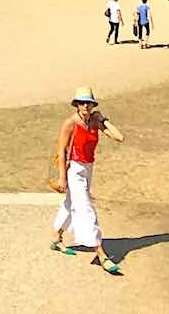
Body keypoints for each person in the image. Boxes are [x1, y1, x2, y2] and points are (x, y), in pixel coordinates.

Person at [49, 87, 124, 276]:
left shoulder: (94, 121)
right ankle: (101, 254)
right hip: (74, 168)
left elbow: (119, 137)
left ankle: (56, 239)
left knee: (70, 203)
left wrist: (103, 120)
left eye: (88, 103)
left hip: (88, 168)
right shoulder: (70, 123)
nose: (85, 106)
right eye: (82, 102)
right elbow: (61, 150)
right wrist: (61, 177)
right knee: (85, 208)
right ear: (76, 104)